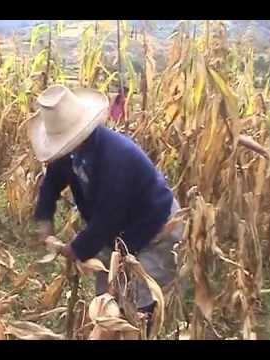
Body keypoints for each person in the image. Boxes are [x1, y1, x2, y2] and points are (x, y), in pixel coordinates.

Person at [27, 84, 183, 324]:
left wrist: (76, 249)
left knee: (140, 302)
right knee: (107, 298)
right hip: (116, 231)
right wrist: (44, 218)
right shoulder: (69, 152)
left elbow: (109, 219)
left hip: (155, 226)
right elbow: (51, 182)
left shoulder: (115, 157)